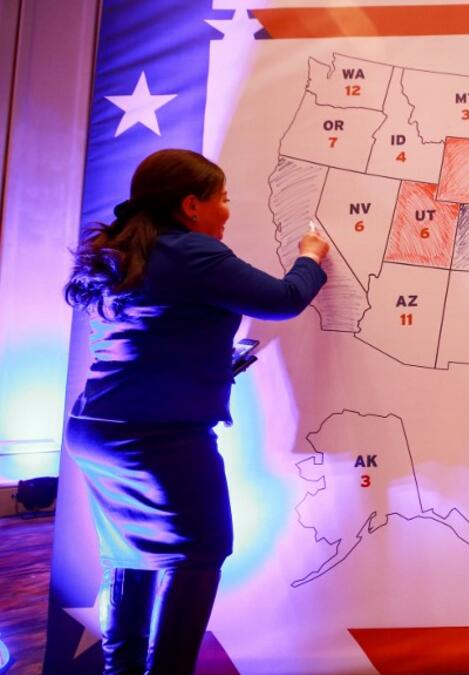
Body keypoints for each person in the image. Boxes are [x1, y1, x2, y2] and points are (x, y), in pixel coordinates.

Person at [63, 148, 330, 674]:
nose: (227, 211)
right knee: (201, 552)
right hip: (159, 441)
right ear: (191, 205)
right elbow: (283, 298)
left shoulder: (124, 248)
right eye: (223, 199)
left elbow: (149, 335)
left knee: (127, 556)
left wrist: (214, 364)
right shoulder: (194, 253)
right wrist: (311, 255)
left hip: (97, 432)